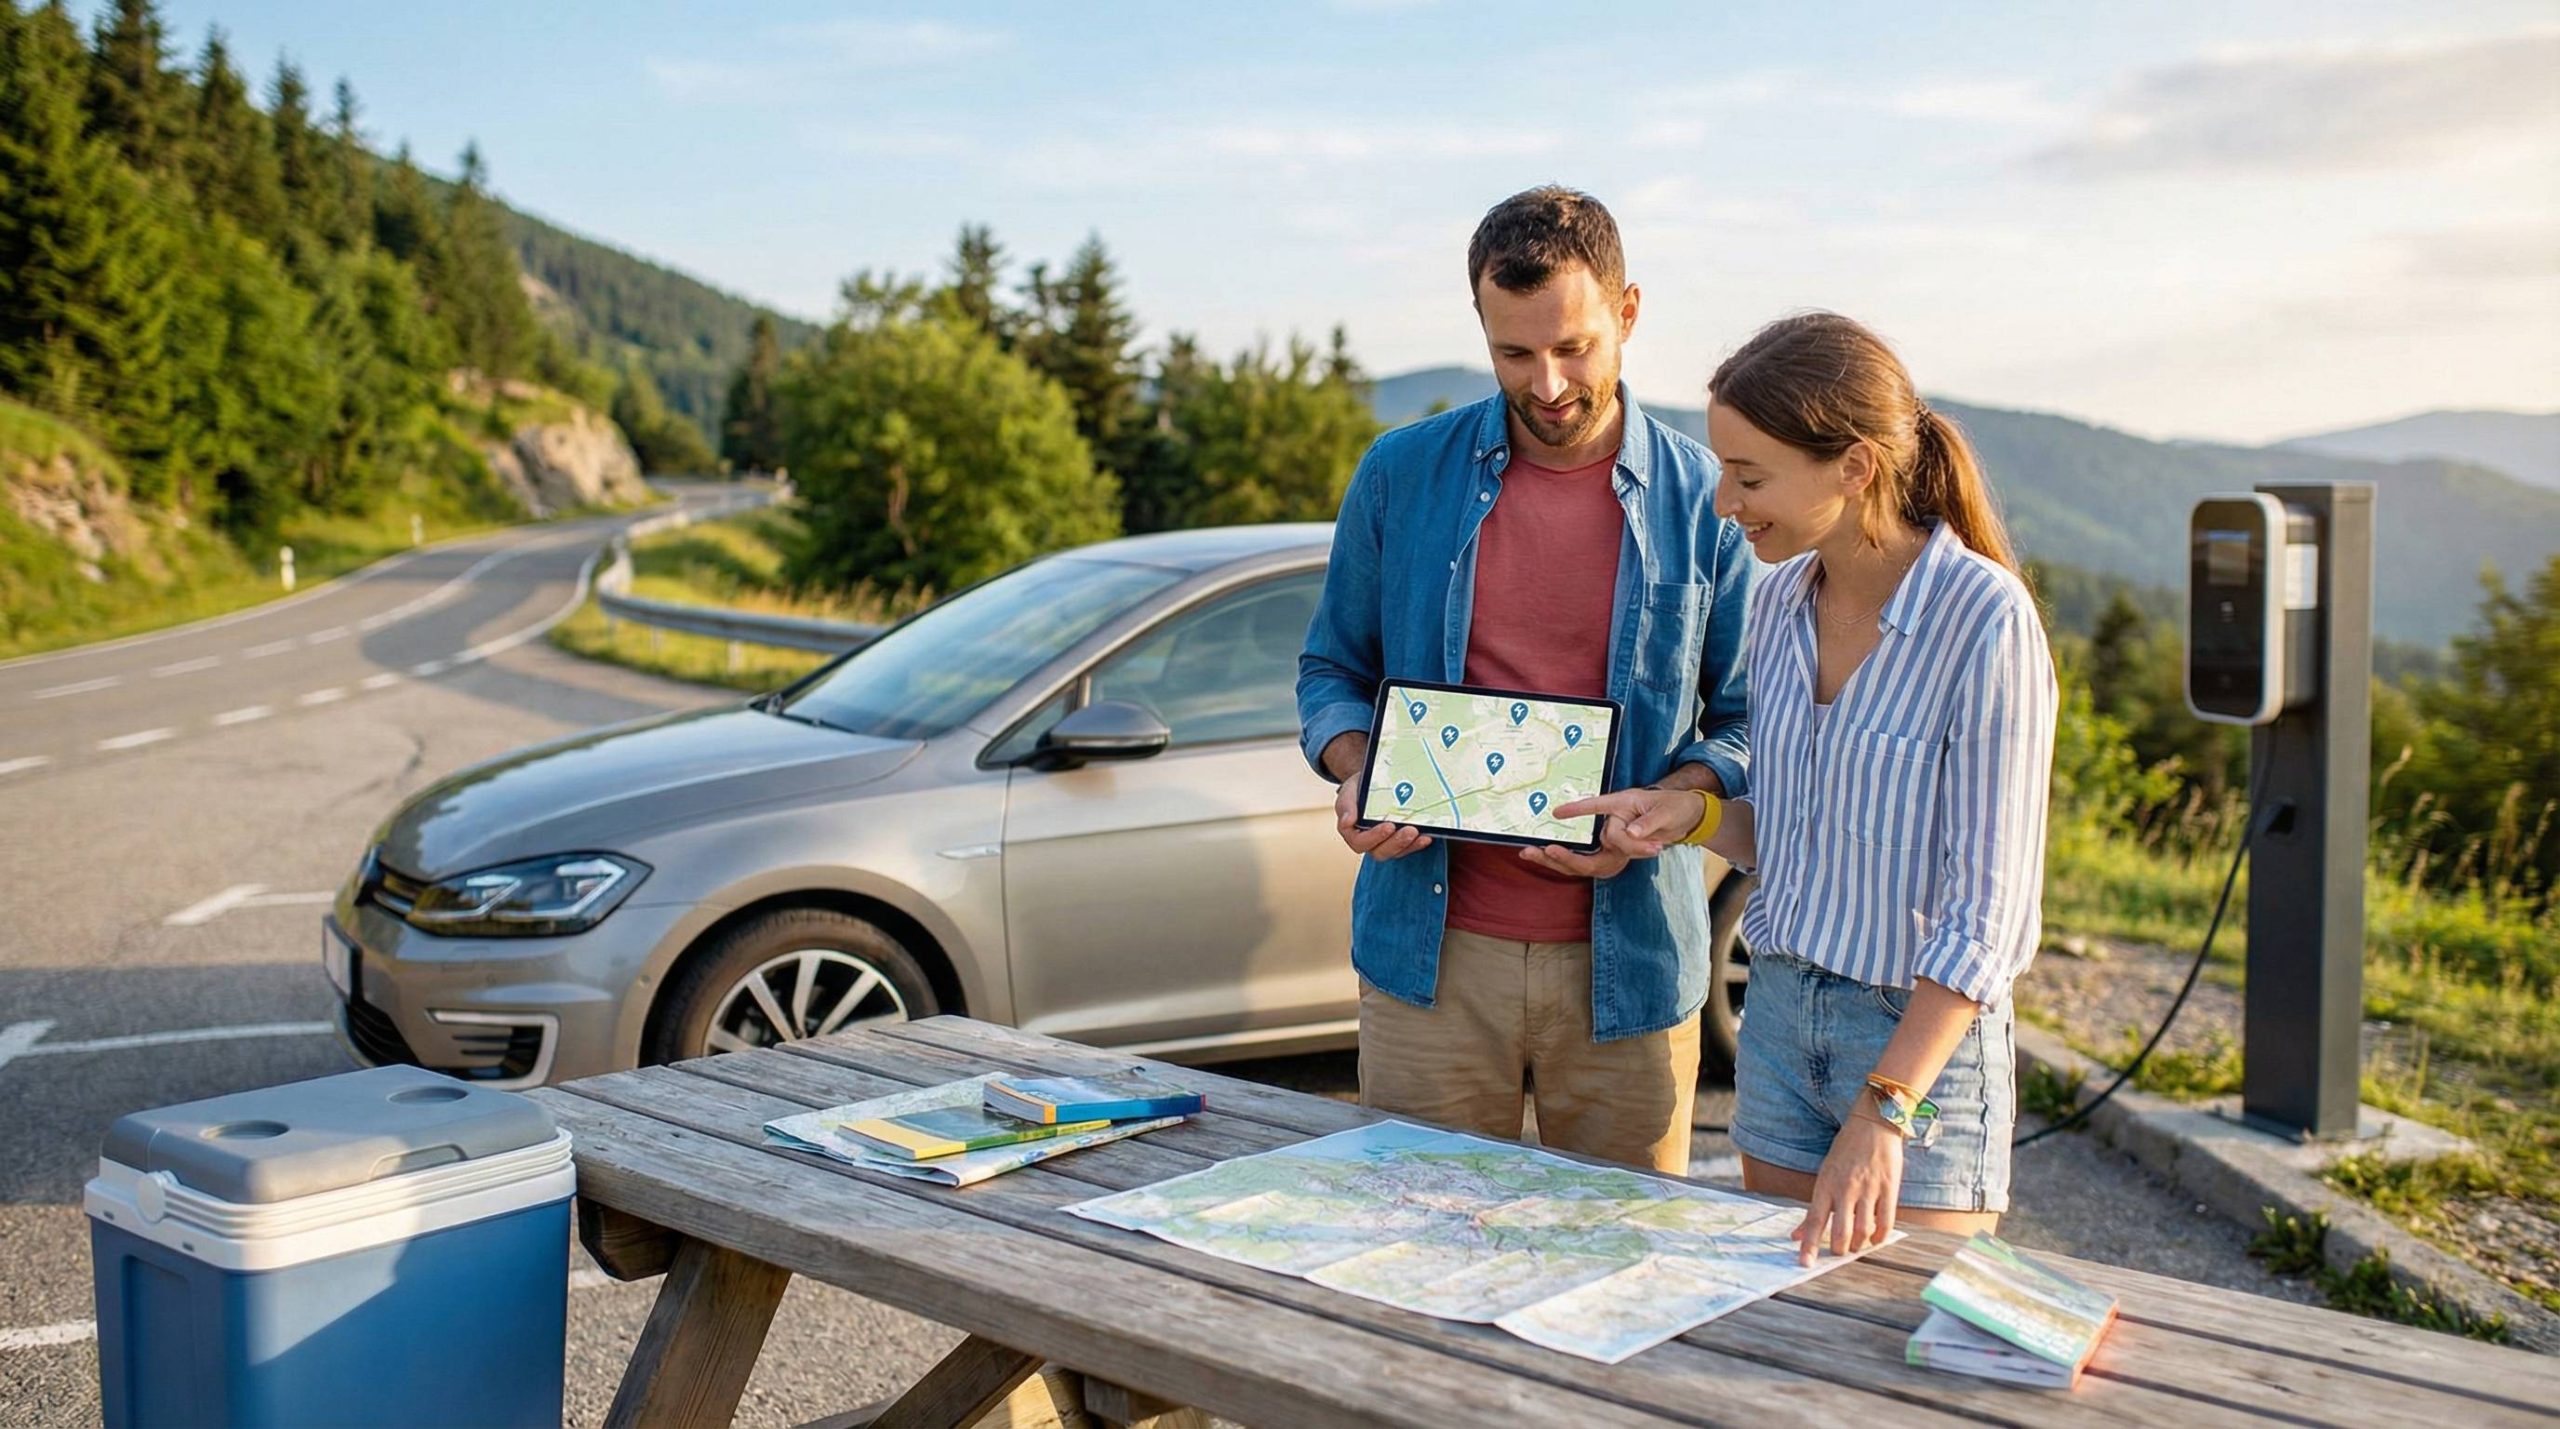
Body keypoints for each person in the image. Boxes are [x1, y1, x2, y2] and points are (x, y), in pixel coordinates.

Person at [1560, 311, 2056, 1257]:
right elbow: (1794, 833)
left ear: (1855, 468)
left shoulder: (1987, 622)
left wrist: (1886, 1107)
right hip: (1780, 1020)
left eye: (1750, 477)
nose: (1721, 501)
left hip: (1915, 1049)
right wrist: (1690, 814)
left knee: (1897, 1354)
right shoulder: (1783, 602)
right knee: (1775, 1323)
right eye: (1722, 469)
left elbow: (1990, 917)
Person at [1295, 186, 1753, 1175]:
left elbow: (1747, 717)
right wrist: (1358, 764)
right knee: (1412, 1263)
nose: (1545, 384)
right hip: (1430, 961)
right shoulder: (1397, 473)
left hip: (1629, 967)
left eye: (1573, 347)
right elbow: (1332, 668)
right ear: (1480, 326)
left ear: (1627, 313)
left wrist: (1674, 802)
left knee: (1625, 1275)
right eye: (1513, 353)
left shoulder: (1707, 499)